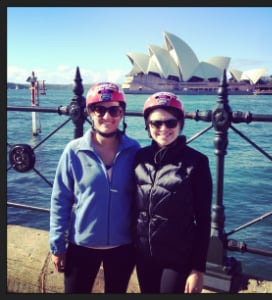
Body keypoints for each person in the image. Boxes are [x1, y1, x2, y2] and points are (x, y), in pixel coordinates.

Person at [49, 82, 140, 293]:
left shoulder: (134, 149)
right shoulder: (74, 151)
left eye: (114, 110)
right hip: (82, 245)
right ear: (90, 112)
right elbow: (60, 200)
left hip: (123, 247)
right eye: (100, 109)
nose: (107, 116)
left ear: (122, 112)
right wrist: (57, 245)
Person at [133, 91, 213, 293]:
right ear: (147, 125)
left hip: (178, 259)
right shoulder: (139, 158)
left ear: (180, 123)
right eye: (156, 123)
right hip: (144, 256)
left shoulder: (197, 162)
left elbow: (204, 220)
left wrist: (198, 269)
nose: (163, 129)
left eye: (170, 123)